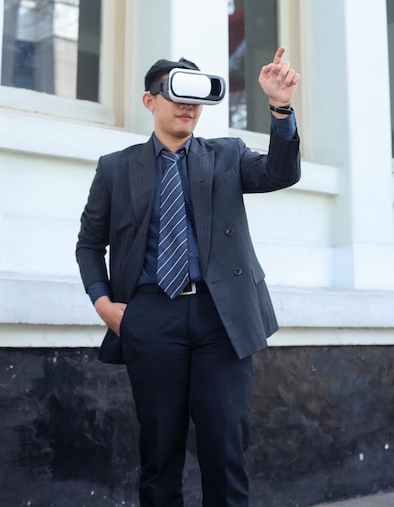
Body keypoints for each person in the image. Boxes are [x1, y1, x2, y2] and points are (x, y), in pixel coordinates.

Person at [76, 46, 301, 507]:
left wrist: (280, 107)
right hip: (151, 316)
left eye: (196, 97)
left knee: (226, 456)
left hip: (223, 320)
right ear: (149, 101)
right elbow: (88, 243)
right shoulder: (116, 168)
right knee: (159, 458)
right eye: (176, 92)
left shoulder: (227, 155)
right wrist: (104, 304)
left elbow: (281, 172)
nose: (187, 105)